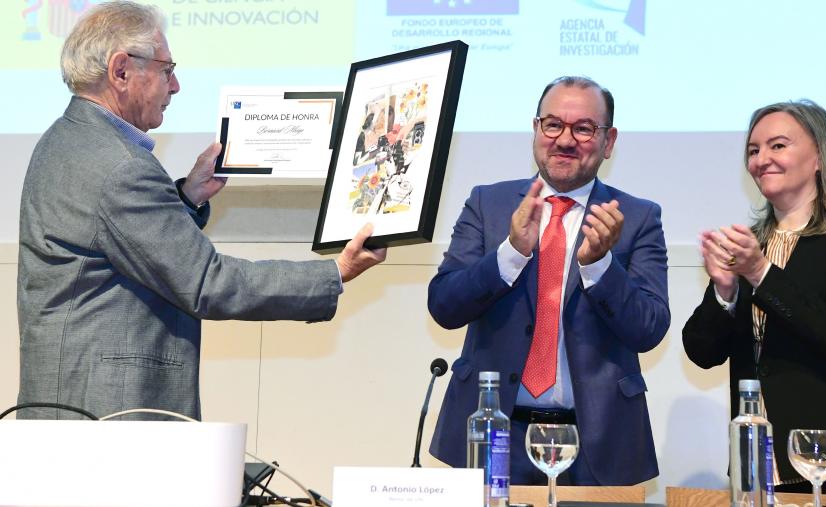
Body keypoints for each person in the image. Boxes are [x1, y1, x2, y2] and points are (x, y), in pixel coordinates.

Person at [16, 1, 386, 421]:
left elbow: (118, 247)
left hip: (75, 403)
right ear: (121, 71)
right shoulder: (120, 166)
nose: (175, 87)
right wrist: (335, 272)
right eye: (166, 70)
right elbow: (207, 282)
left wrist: (188, 197)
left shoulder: (64, 139)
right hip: (108, 413)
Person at [428, 76, 670, 485]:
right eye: (553, 124)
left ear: (608, 142)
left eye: (583, 128)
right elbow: (445, 306)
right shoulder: (488, 203)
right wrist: (511, 253)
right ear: (536, 130)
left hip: (597, 445)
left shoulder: (637, 217)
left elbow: (649, 328)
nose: (565, 139)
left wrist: (599, 267)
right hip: (491, 436)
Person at [682, 99, 826, 491]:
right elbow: (701, 353)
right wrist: (724, 290)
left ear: (822, 155)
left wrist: (760, 272)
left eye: (777, 146)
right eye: (753, 150)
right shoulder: (750, 245)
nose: (761, 159)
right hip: (757, 463)